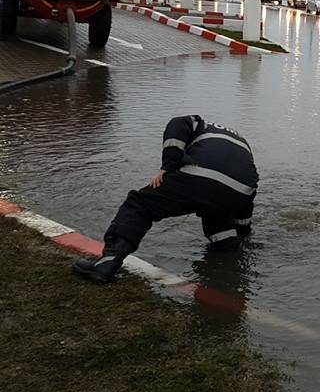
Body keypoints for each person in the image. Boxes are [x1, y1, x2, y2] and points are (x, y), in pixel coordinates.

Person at [72, 115, 259, 283]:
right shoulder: (243, 144)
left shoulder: (199, 123)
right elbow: (246, 203)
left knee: (140, 205)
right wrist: (244, 232)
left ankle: (107, 263)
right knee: (219, 214)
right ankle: (227, 265)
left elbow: (178, 123)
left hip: (198, 176)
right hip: (241, 190)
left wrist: (168, 166)